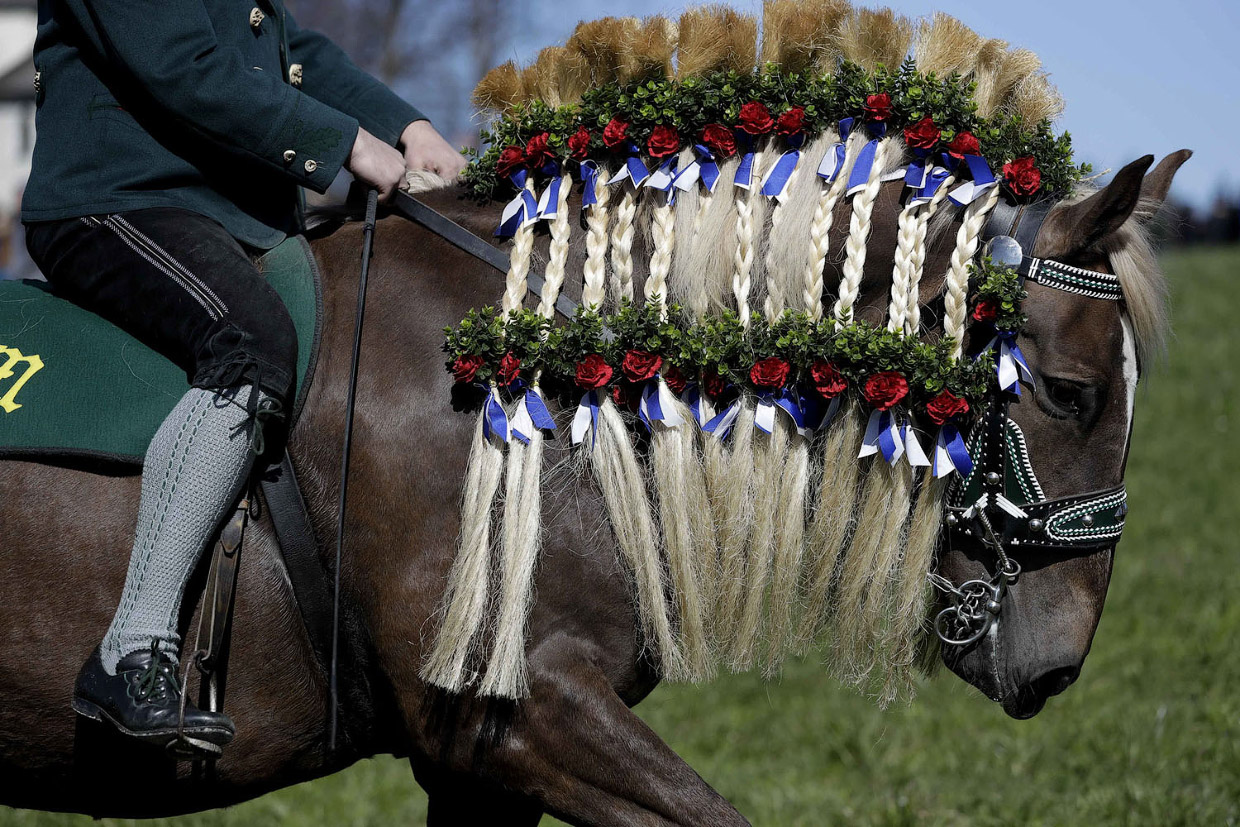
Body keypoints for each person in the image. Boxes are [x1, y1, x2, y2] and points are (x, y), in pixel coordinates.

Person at [20, 0, 465, 756]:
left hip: (224, 216)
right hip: (120, 201)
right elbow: (181, 68)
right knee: (251, 339)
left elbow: (284, 50)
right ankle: (130, 653)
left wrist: (406, 126)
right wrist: (345, 144)